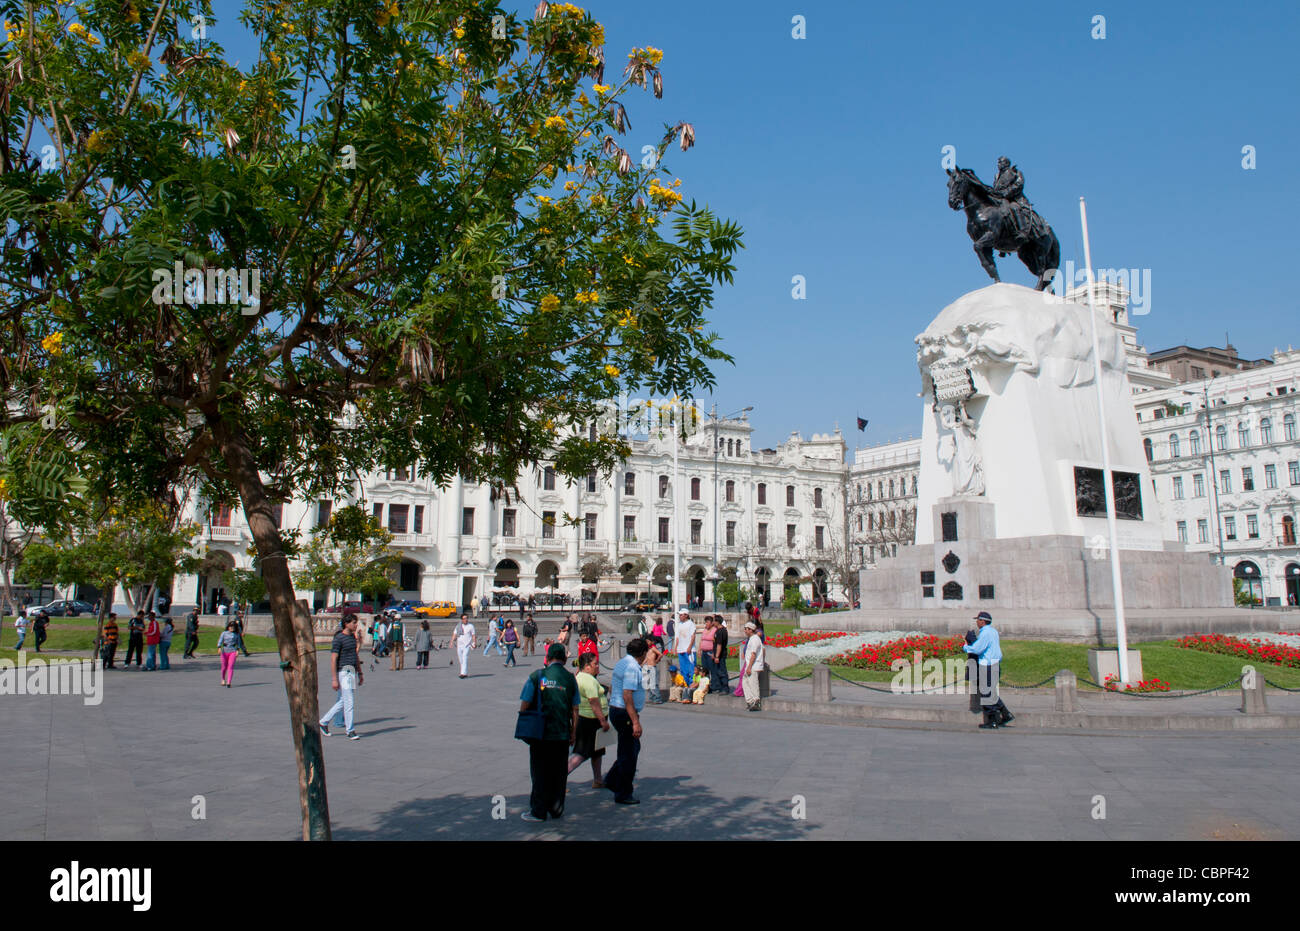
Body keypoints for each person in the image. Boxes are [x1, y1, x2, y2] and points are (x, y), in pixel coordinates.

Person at [519, 642, 580, 822]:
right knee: (559, 772)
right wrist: (573, 731)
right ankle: (556, 807)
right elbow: (576, 708)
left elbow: (524, 703)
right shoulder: (570, 678)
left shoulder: (537, 676)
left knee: (539, 771)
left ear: (548, 658)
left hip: (541, 734)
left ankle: (538, 810)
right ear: (564, 658)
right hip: (561, 732)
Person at [604, 637, 648, 805]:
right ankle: (623, 792)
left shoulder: (623, 662)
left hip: (617, 709)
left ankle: (613, 778)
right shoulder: (632, 668)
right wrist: (635, 721)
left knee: (631, 747)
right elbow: (627, 695)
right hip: (625, 712)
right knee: (628, 753)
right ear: (643, 653)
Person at [963, 611, 1014, 729]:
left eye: (978, 620)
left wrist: (965, 646)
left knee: (986, 694)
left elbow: (977, 649)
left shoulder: (985, 633)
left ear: (983, 621)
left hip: (987, 665)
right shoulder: (993, 631)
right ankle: (1006, 714)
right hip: (995, 664)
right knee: (990, 692)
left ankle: (992, 721)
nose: (976, 622)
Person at [568, 650, 610, 788]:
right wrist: (603, 721)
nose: (597, 666)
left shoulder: (578, 676)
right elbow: (594, 702)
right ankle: (559, 778)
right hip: (591, 721)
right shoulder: (589, 681)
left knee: (597, 752)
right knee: (581, 753)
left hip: (586, 718)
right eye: (595, 664)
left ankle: (598, 779)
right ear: (586, 666)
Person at [320, 615, 364, 739]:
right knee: (349, 701)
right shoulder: (339, 638)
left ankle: (323, 722)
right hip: (344, 671)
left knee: (344, 700)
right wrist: (334, 679)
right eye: (354, 623)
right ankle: (350, 730)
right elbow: (333, 659)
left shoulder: (352, 637)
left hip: (352, 670)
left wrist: (360, 673)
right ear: (346, 623)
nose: (356, 625)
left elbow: (355, 655)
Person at [741, 620, 765, 712]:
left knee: (753, 684)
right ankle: (750, 701)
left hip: (754, 666)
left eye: (746, 629)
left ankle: (756, 702)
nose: (745, 631)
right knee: (745, 682)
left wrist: (749, 667)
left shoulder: (755, 639)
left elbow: (753, 654)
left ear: (751, 630)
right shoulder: (751, 639)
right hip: (750, 665)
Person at [673, 611, 696, 683]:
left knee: (691, 668)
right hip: (681, 650)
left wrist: (689, 647)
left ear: (686, 615)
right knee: (683, 669)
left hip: (689, 650)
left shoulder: (691, 624)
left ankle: (692, 684)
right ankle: (685, 683)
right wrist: (676, 648)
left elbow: (693, 636)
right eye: (679, 615)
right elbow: (677, 637)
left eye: (681, 615)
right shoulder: (679, 624)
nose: (680, 616)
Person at [710, 615, 730, 694]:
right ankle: (720, 687)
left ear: (717, 622)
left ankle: (725, 688)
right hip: (717, 654)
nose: (713, 623)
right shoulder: (717, 630)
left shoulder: (721, 631)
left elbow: (719, 645)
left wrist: (717, 656)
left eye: (714, 621)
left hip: (721, 655)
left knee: (722, 671)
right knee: (717, 671)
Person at [217, 619, 240, 687]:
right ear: (228, 627)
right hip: (224, 651)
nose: (231, 628)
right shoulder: (224, 633)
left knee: (230, 666)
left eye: (233, 627)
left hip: (232, 651)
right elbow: (220, 641)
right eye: (230, 626)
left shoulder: (236, 634)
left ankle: (229, 682)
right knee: (224, 666)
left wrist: (237, 651)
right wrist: (219, 648)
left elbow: (238, 643)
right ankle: (223, 679)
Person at [452, 614, 476, 678]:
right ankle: (464, 673)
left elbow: (473, 635)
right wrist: (452, 641)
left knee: (465, 657)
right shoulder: (458, 626)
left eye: (466, 618)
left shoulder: (471, 626)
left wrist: (474, 643)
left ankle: (462, 673)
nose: (465, 619)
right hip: (459, 645)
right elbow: (455, 633)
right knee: (461, 660)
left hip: (467, 645)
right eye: (464, 618)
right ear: (462, 619)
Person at [698, 615, 717, 688]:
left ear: (712, 623)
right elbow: (701, 640)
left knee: (712, 669)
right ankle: (706, 685)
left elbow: (715, 642)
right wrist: (699, 650)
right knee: (705, 669)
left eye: (708, 622)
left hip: (710, 652)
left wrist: (714, 653)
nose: (706, 624)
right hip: (704, 652)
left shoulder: (714, 630)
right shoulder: (705, 630)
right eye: (705, 622)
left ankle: (714, 685)